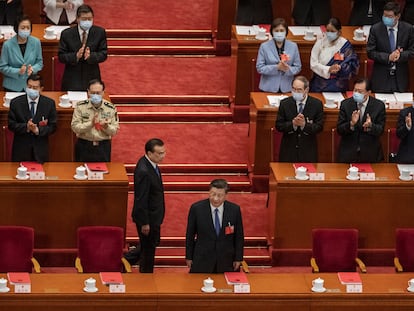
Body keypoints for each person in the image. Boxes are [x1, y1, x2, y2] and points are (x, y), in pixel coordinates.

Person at [186, 179, 244, 273]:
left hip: (226, 260)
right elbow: (190, 235)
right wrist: (188, 256)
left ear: (226, 196)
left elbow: (239, 236)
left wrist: (238, 258)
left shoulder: (234, 210)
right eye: (213, 194)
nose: (216, 198)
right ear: (209, 192)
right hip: (202, 259)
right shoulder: (197, 209)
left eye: (220, 195)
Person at [131, 138, 166, 273]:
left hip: (154, 215)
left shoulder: (150, 164)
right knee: (148, 251)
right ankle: (146, 276)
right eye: (159, 153)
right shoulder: (144, 171)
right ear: (149, 153)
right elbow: (141, 199)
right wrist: (144, 222)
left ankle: (127, 259)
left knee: (151, 243)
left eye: (164, 152)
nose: (163, 156)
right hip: (148, 218)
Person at [8, 74, 57, 163]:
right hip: (21, 150)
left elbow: (53, 127)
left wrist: (37, 130)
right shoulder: (16, 103)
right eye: (29, 87)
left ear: (41, 89)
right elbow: (11, 125)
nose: (32, 90)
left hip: (40, 151)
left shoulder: (49, 104)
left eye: (35, 88)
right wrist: (26, 127)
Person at [366, 1, 414, 93]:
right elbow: (370, 52)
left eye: (390, 16)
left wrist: (401, 55)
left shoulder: (408, 29)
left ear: (398, 16)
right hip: (381, 78)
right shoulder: (376, 29)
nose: (386, 18)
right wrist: (388, 57)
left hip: (400, 78)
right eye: (385, 15)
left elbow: (412, 51)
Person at [58, 4, 107, 91]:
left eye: (90, 19)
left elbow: (103, 54)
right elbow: (61, 56)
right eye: (84, 19)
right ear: (77, 19)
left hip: (92, 76)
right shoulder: (66, 34)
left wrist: (91, 56)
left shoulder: (100, 32)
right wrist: (75, 56)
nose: (87, 21)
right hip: (72, 77)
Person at [275, 76, 324, 162]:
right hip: (288, 152)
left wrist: (304, 125)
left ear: (306, 90)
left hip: (308, 152)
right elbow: (279, 126)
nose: (296, 92)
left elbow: (319, 127)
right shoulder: (285, 104)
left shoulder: (317, 104)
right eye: (294, 89)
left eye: (299, 90)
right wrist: (293, 124)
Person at [336, 77, 385, 163]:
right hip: (348, 153)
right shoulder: (346, 104)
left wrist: (371, 126)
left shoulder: (379, 106)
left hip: (370, 154)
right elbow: (340, 129)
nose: (356, 93)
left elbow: (380, 130)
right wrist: (351, 124)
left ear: (368, 92)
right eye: (355, 90)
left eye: (360, 91)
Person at [71, 79, 119, 162]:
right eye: (93, 93)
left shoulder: (110, 108)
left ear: (103, 92)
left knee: (103, 172)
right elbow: (75, 127)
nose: (95, 95)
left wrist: (106, 126)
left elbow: (114, 131)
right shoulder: (80, 106)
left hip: (103, 146)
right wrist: (90, 124)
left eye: (98, 93)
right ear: (88, 92)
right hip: (84, 144)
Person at [310, 17, 359, 92]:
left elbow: (352, 64)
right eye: (328, 31)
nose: (329, 34)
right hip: (320, 85)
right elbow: (313, 64)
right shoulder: (320, 43)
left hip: (339, 85)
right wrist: (328, 69)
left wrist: (340, 67)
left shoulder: (345, 45)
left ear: (339, 32)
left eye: (332, 31)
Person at [256, 18, 302, 93]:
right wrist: (277, 67)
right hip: (268, 88)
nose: (279, 33)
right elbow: (260, 68)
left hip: (287, 88)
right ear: (272, 32)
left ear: (286, 32)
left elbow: (298, 67)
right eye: (276, 31)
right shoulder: (264, 46)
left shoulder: (293, 46)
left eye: (282, 30)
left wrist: (287, 69)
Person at [0, 15, 43, 92]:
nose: (25, 30)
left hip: (31, 85)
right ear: (17, 29)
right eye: (23, 28)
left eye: (28, 28)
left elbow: (40, 63)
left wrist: (32, 69)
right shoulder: (7, 45)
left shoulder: (36, 42)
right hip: (12, 86)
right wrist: (18, 71)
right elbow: (2, 67)